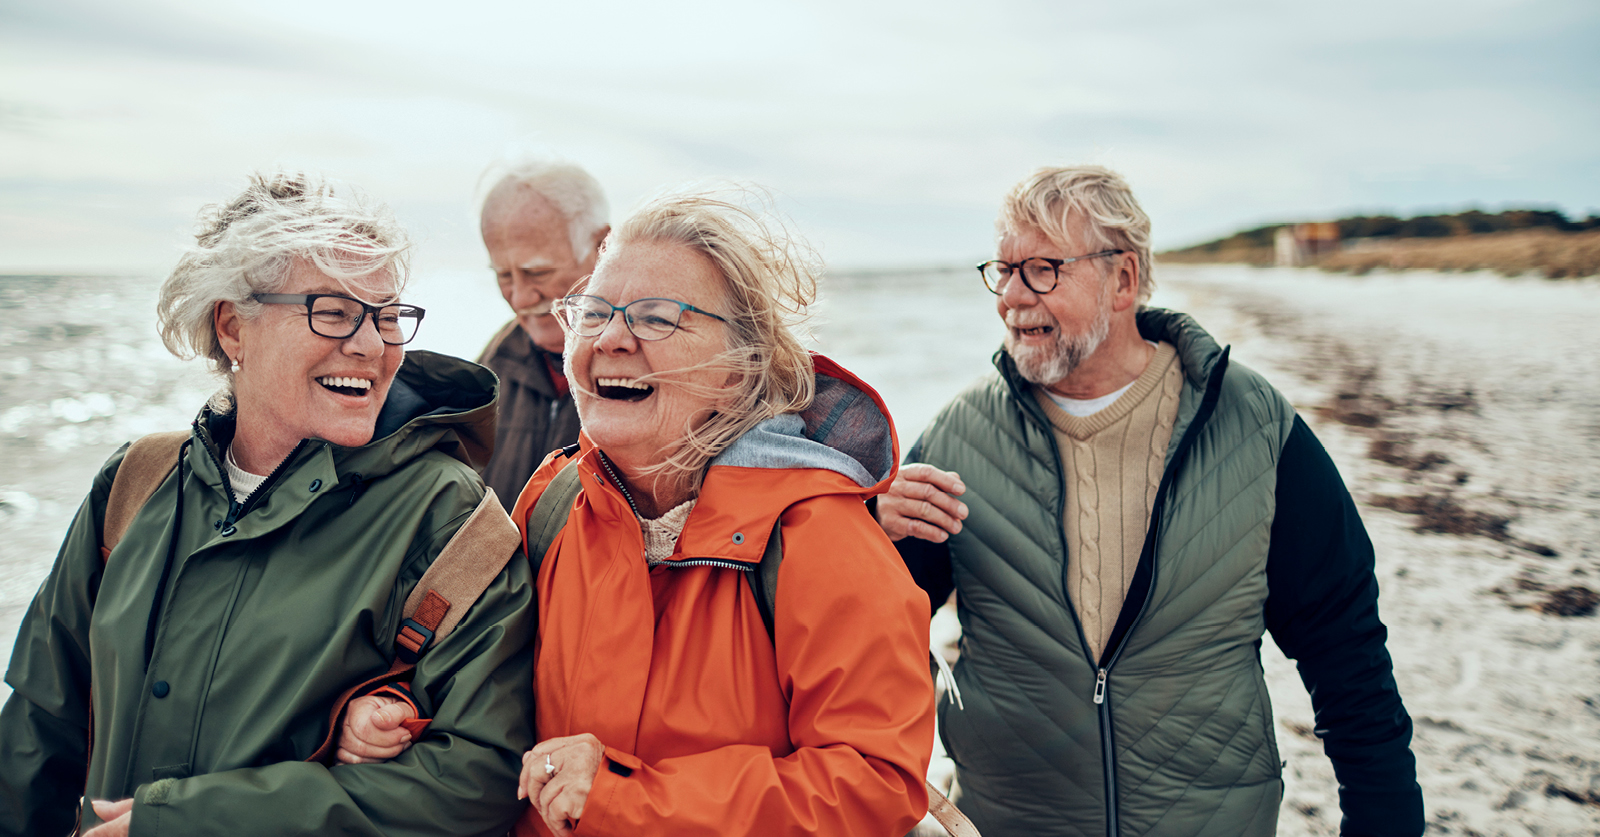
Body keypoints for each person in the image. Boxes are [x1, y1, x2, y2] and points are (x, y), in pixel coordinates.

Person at [339, 190, 938, 836]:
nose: (612, 338)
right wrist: (387, 714)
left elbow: (876, 784)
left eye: (657, 318)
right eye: (594, 312)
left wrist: (626, 797)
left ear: (740, 368)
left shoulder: (818, 538)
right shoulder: (553, 501)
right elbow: (471, 684)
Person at [878, 166, 1424, 837]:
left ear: (1124, 280)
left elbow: (1346, 651)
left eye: (1043, 269)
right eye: (1003, 269)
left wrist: (1384, 820)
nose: (1012, 297)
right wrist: (870, 536)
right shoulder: (959, 438)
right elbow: (872, 636)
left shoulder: (1250, 424)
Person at [0, 173, 535, 836]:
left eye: (388, 315)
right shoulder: (136, 482)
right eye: (333, 311)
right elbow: (38, 727)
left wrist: (187, 822)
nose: (371, 345)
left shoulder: (449, 519)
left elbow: (477, 781)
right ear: (233, 327)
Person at [477, 160, 611, 511]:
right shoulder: (490, 368)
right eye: (504, 275)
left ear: (604, 247)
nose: (520, 298)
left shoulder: (652, 364)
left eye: (537, 272)